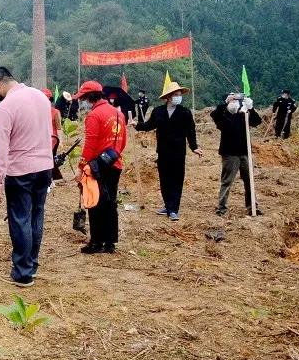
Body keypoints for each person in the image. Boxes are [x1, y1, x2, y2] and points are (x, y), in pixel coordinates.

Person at [0, 67, 54, 286]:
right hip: (44, 167)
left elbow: (0, 146)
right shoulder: (41, 98)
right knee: (36, 215)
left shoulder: (6, 106)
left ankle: (23, 272)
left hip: (21, 170)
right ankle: (32, 264)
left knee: (20, 219)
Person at [132, 81, 202, 220]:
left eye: (180, 94)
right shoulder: (158, 112)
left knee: (177, 180)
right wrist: (137, 125)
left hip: (178, 152)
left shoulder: (185, 113)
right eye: (176, 94)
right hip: (163, 151)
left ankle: (173, 209)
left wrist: (194, 147)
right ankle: (168, 205)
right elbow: (149, 125)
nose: (178, 97)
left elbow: (190, 131)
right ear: (169, 97)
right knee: (164, 180)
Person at [74, 81, 127, 254]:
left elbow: (90, 144)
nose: (82, 102)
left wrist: (81, 167)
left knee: (95, 203)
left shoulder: (94, 115)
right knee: (111, 202)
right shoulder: (118, 114)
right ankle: (110, 242)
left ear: (90, 97)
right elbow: (123, 141)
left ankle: (96, 242)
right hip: (115, 163)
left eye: (82, 98)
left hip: (97, 167)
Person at [211, 93, 262, 216]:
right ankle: (221, 208)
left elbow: (257, 122)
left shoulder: (244, 115)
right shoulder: (223, 116)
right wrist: (224, 104)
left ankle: (252, 207)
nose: (234, 101)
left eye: (236, 99)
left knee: (249, 181)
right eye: (231, 99)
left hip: (245, 153)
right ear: (227, 103)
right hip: (230, 154)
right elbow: (214, 115)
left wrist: (251, 108)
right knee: (227, 181)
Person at [42, 89, 61, 157]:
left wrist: (61, 142)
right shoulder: (37, 112)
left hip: (52, 140)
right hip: (41, 140)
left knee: (51, 159)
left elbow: (58, 128)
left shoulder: (55, 112)